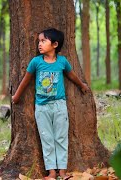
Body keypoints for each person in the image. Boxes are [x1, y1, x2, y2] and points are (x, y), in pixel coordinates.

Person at [12, 28, 89, 180]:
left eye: (43, 41)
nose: (39, 44)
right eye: (39, 41)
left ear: (55, 44)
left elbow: (71, 75)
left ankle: (62, 171)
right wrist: (16, 96)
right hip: (41, 108)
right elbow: (26, 80)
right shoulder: (36, 62)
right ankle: (51, 172)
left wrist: (82, 85)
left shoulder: (62, 61)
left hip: (59, 106)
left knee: (61, 138)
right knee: (46, 138)